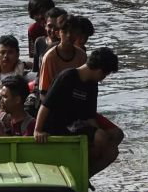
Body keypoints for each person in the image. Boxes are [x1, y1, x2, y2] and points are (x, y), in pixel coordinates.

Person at [34, 47, 123, 176]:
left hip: (75, 125)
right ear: (99, 71)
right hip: (56, 126)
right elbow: (45, 105)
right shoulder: (67, 77)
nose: (103, 79)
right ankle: (81, 169)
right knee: (101, 137)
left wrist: (98, 134)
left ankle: (85, 174)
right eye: (104, 75)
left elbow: (90, 116)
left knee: (112, 150)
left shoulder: (92, 85)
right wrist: (38, 130)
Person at [38, 15, 88, 103]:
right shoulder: (49, 57)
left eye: (73, 32)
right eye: (64, 32)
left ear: (77, 34)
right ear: (58, 34)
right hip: (54, 101)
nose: (69, 35)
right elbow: (43, 92)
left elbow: (85, 85)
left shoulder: (82, 56)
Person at [32, 7, 67, 75]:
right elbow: (36, 70)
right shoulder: (39, 42)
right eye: (50, 26)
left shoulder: (68, 45)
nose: (53, 30)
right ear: (45, 26)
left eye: (57, 27)